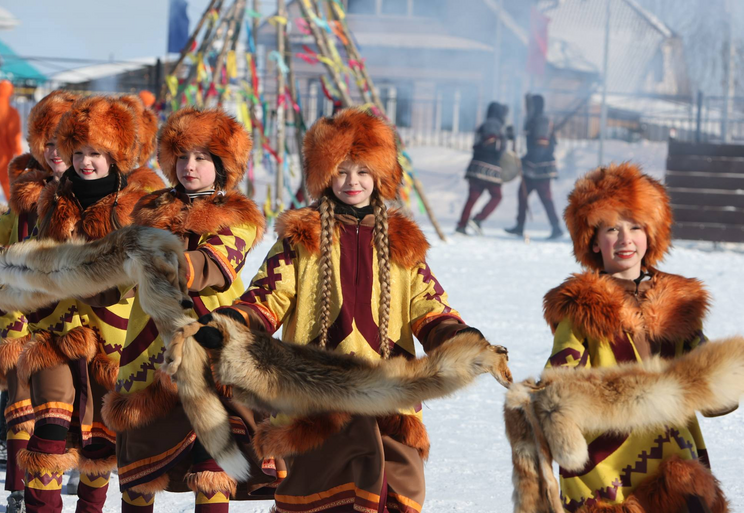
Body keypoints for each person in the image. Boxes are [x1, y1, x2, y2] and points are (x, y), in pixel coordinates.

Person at [202, 108, 507, 513]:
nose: (352, 182)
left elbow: (427, 304)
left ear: (380, 176)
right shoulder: (302, 235)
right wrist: (233, 324)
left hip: (389, 397)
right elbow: (267, 297)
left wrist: (459, 336)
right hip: (318, 398)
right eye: (342, 171)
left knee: (396, 498)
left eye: (363, 172)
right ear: (325, 175)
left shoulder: (402, 241)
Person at [104, 108, 276, 513]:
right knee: (139, 479)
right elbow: (112, 275)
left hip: (213, 354)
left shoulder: (239, 215)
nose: (190, 167)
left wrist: (159, 261)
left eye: (201, 158)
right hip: (149, 355)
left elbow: (217, 265)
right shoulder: (146, 211)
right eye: (182, 157)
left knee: (213, 471)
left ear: (221, 165)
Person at [542, 163, 732, 511]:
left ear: (651, 234)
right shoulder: (581, 305)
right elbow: (561, 372)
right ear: (594, 242)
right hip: (608, 458)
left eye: (635, 226)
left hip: (674, 452)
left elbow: (707, 370)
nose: (625, 239)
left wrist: (724, 380)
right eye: (612, 228)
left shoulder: (679, 302)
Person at [13, 96, 160, 513]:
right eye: (78, 152)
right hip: (56, 330)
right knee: (51, 428)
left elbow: (128, 274)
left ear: (115, 154)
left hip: (115, 337)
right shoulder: (54, 199)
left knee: (100, 441)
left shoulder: (136, 205)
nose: (84, 162)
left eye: (95, 153)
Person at [0, 90, 79, 513]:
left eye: (64, 141)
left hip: (80, 316)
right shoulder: (25, 193)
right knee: (24, 400)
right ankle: (21, 489)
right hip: (22, 314)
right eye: (48, 140)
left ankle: (78, 468)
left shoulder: (96, 192)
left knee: (76, 405)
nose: (55, 151)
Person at [505, 94, 562, 239]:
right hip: (532, 167)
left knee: (546, 198)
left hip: (540, 167)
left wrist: (525, 160)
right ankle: (519, 226)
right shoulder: (534, 120)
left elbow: (541, 146)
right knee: (522, 195)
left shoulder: (542, 120)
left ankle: (556, 227)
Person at [456, 102, 509, 235]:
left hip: (476, 166)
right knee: (497, 195)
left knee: (472, 197)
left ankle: (462, 225)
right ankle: (478, 219)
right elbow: (492, 143)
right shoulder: (493, 124)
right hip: (488, 167)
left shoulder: (485, 124)